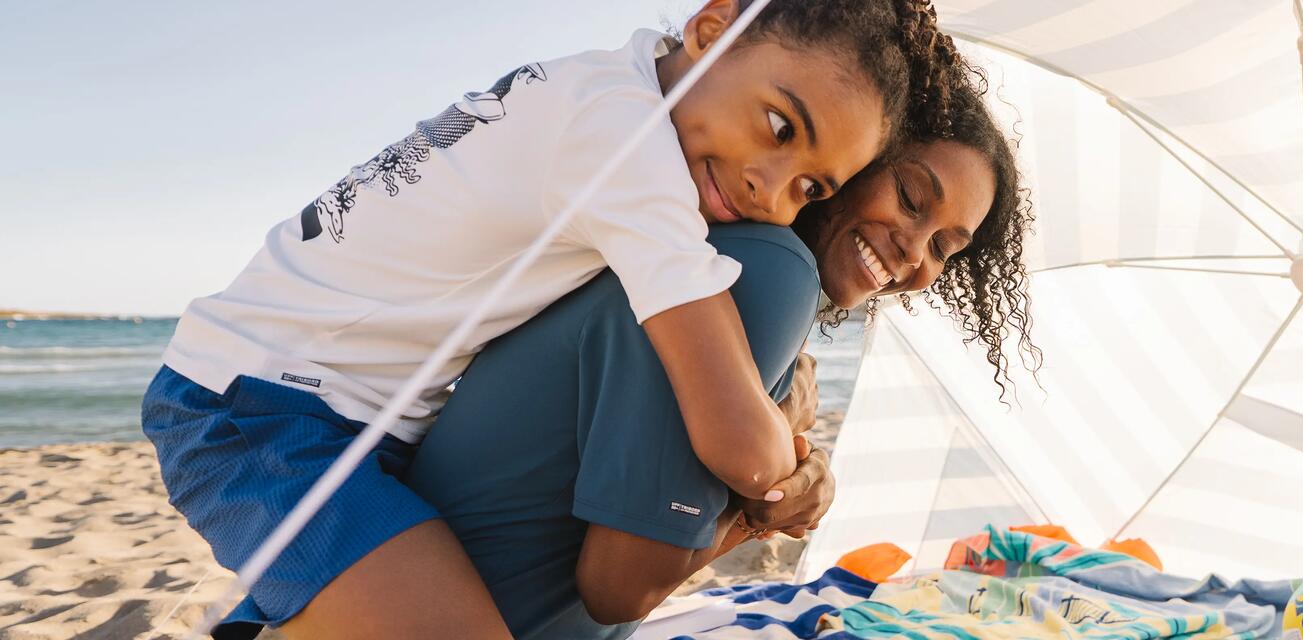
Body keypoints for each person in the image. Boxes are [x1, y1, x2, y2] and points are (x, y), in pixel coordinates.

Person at [138, 1, 953, 636]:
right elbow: (739, 445)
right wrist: (786, 436)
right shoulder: (626, 147)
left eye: (810, 188)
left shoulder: (604, 85)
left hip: (333, 406)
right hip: (263, 408)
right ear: (711, 30)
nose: (767, 188)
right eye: (779, 127)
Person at [405, 73, 1040, 639]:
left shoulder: (711, 247)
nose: (915, 252)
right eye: (910, 197)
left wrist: (779, 462)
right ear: (855, 157)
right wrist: (760, 507)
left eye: (945, 248)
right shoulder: (770, 270)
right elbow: (618, 590)